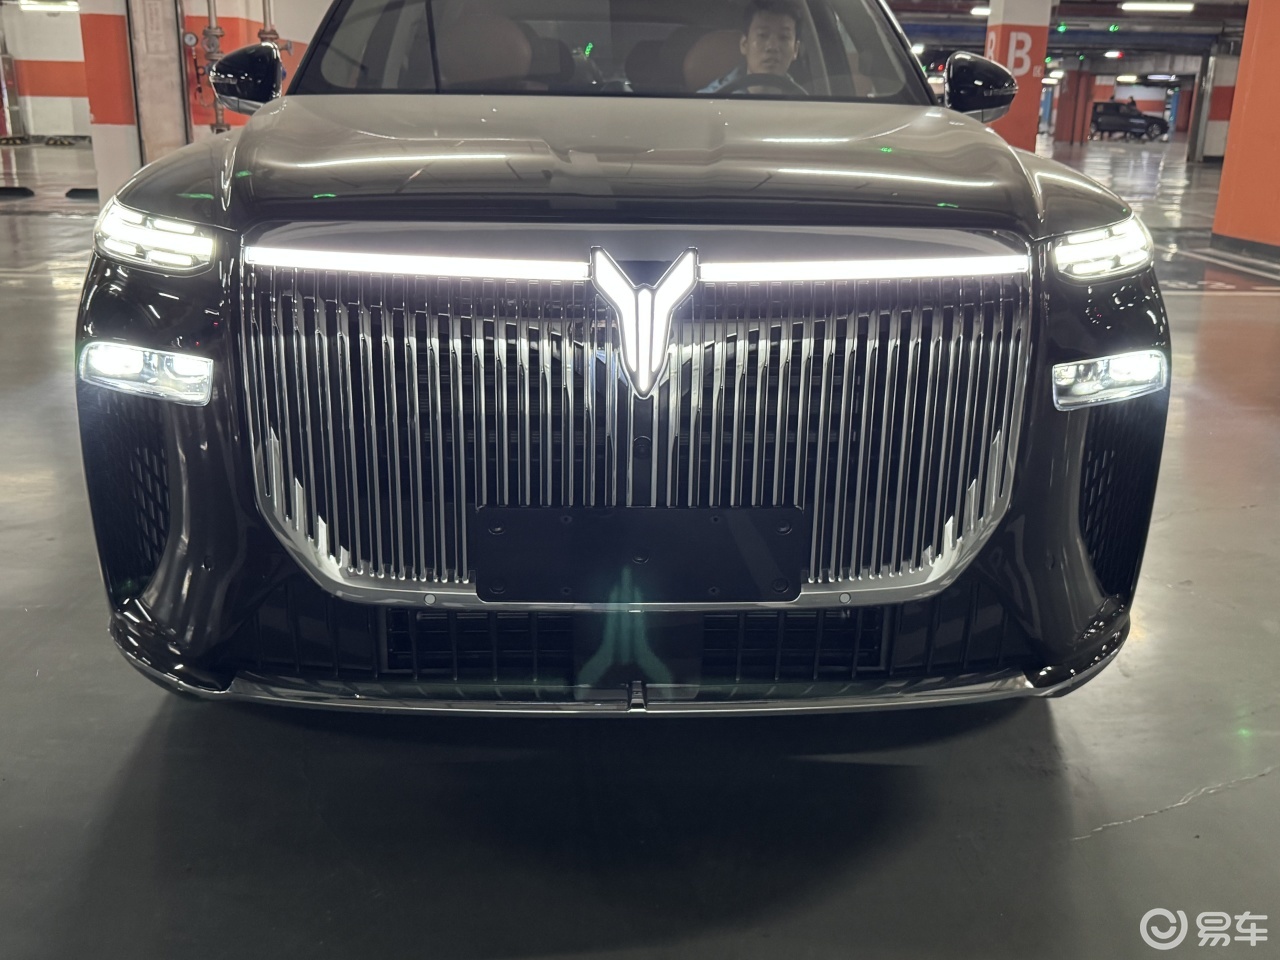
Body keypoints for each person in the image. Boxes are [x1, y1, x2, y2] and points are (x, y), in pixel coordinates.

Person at [700, 0, 804, 94]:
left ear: (795, 50)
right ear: (744, 44)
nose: (772, 47)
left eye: (784, 37)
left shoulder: (806, 104)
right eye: (762, 35)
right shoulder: (709, 101)